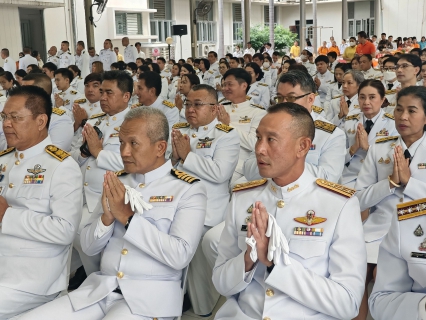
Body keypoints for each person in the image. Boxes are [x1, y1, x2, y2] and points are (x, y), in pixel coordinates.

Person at [21, 106, 207, 320]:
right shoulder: (118, 182)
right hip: (101, 291)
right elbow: (89, 248)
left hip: (147, 300)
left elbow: (179, 255)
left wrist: (128, 218)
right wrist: (106, 219)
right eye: (121, 143)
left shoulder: (187, 189)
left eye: (133, 144)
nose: (124, 152)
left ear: (160, 147)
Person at [212, 101, 366, 320]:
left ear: (302, 147)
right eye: (258, 138)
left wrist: (276, 264)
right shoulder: (242, 197)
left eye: (271, 140)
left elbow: (348, 303)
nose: (259, 149)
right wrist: (248, 259)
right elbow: (220, 283)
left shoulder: (339, 204)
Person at [0, 85, 82, 319]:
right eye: (5, 116)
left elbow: (65, 230)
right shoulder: (4, 160)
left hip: (31, 280)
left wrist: (8, 215)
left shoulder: (62, 166)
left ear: (41, 121)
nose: (6, 124)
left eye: (15, 117)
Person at [170, 84, 239, 316]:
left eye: (197, 104)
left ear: (214, 108)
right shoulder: (178, 130)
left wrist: (187, 155)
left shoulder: (226, 135)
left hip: (208, 211)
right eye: (188, 103)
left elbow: (220, 173)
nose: (190, 109)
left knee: (199, 276)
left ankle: (202, 310)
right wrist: (174, 156)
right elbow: (165, 166)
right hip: (175, 206)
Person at [357, 86, 426, 320]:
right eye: (398, 109)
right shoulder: (379, 148)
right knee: (357, 273)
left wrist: (410, 184)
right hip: (378, 231)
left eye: (412, 111)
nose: (403, 117)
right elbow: (358, 198)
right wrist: (390, 183)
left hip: (419, 232)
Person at [68, 70, 132, 290]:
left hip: (108, 196)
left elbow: (134, 163)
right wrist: (84, 154)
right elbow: (73, 152)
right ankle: (87, 272)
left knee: (82, 235)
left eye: (108, 92)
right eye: (101, 91)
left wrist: (98, 152)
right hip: (82, 193)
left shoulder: (134, 124)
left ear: (126, 96)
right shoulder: (94, 121)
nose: (102, 97)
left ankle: (97, 279)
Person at [342, 79, 398, 190]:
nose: (366, 102)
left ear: (382, 100)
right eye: (362, 97)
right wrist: (353, 148)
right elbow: (338, 156)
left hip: (377, 178)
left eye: (372, 97)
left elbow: (392, 160)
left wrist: (368, 148)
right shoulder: (350, 121)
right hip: (349, 177)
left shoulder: (393, 124)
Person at [217, 68, 267, 183]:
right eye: (223, 85)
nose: (224, 88)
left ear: (244, 86)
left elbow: (254, 143)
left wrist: (227, 125)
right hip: (213, 162)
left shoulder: (258, 113)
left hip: (238, 168)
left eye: (229, 84)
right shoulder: (219, 107)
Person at [22, 73, 75, 152]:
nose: (19, 95)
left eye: (26, 92)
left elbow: (51, 155)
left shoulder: (60, 120)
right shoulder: (19, 116)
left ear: (42, 94)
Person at [71, 72, 103, 148]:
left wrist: (83, 122)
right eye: (87, 86)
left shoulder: (106, 109)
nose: (90, 89)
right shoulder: (78, 104)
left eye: (95, 86)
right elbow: (66, 130)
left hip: (87, 152)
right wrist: (77, 123)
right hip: (69, 146)